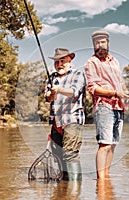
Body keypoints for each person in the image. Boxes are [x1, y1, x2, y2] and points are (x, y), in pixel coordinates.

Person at [84, 30, 129, 179]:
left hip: (119, 106)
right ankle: (101, 180)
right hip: (104, 107)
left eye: (102, 42)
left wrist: (126, 93)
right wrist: (115, 93)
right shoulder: (91, 63)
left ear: (108, 43)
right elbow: (93, 89)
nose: (100, 45)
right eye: (96, 43)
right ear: (93, 45)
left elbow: (120, 83)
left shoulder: (115, 61)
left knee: (113, 144)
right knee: (104, 144)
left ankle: (106, 175)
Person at [45, 48, 86, 181]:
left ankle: (74, 192)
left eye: (63, 60)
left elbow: (73, 92)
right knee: (58, 154)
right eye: (57, 61)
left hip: (72, 120)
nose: (60, 64)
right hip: (56, 122)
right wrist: (51, 94)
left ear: (70, 61)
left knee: (70, 154)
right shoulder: (52, 77)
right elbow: (48, 98)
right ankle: (64, 189)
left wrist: (58, 89)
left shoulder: (78, 74)